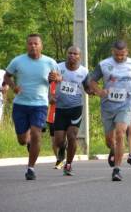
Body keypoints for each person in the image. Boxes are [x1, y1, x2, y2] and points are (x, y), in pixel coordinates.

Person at [2, 34, 59, 180]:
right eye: (30, 44)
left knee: (36, 133)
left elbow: (58, 78)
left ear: (41, 46)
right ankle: (27, 142)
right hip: (20, 104)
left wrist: (55, 79)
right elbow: (6, 77)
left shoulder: (49, 62)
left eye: (36, 43)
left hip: (40, 104)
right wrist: (14, 86)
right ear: (27, 45)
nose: (33, 46)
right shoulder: (18, 61)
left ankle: (30, 168)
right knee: (22, 139)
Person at [89, 40, 131, 182]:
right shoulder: (104, 64)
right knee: (109, 140)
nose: (119, 57)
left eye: (122, 55)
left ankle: (117, 169)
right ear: (113, 51)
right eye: (117, 55)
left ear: (127, 52)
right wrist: (99, 91)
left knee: (120, 134)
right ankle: (113, 149)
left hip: (126, 104)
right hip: (107, 106)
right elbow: (91, 81)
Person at [51, 46, 89, 176]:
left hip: (75, 108)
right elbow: (48, 81)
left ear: (80, 57)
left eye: (75, 54)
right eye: (70, 53)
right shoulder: (58, 67)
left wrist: (95, 91)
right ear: (67, 54)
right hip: (60, 108)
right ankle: (62, 146)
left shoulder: (84, 71)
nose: (72, 55)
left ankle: (68, 164)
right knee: (58, 141)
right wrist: (51, 95)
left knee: (72, 136)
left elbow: (88, 87)